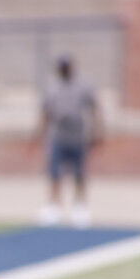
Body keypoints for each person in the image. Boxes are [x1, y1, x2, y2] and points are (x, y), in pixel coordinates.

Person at [36, 54, 102, 228]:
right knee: (54, 172)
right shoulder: (52, 87)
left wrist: (97, 129)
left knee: (80, 173)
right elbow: (45, 112)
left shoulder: (83, 86)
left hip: (78, 135)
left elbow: (94, 108)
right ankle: (54, 205)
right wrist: (40, 133)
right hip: (58, 135)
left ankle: (80, 206)